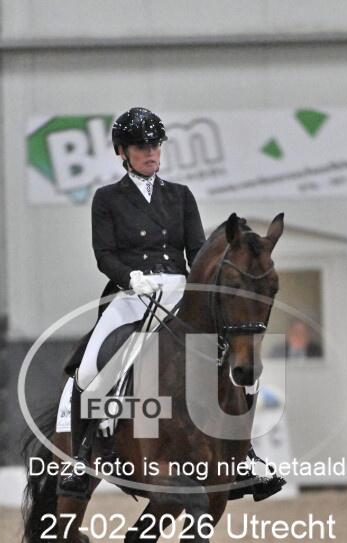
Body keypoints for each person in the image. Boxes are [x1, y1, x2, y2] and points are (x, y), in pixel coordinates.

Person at [58, 107, 283, 502]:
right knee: (91, 365)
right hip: (131, 294)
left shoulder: (180, 195)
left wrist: (202, 285)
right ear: (122, 152)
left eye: (155, 146)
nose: (151, 153)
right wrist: (131, 278)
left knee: (234, 359)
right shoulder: (107, 198)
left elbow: (197, 250)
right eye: (141, 147)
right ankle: (82, 454)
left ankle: (244, 453)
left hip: (179, 292)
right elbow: (104, 254)